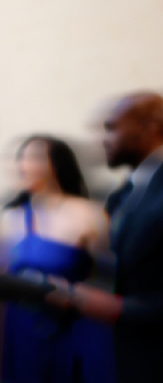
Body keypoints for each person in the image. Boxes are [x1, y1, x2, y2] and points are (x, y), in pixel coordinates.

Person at [47, 92, 163, 381]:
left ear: (148, 127)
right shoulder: (125, 193)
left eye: (111, 128)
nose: (103, 139)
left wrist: (119, 309)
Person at [0, 135, 113, 383]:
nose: (24, 165)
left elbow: (110, 280)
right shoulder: (10, 218)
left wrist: (71, 294)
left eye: (34, 158)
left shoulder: (89, 214)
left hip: (75, 327)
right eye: (20, 158)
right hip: (23, 330)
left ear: (57, 164)